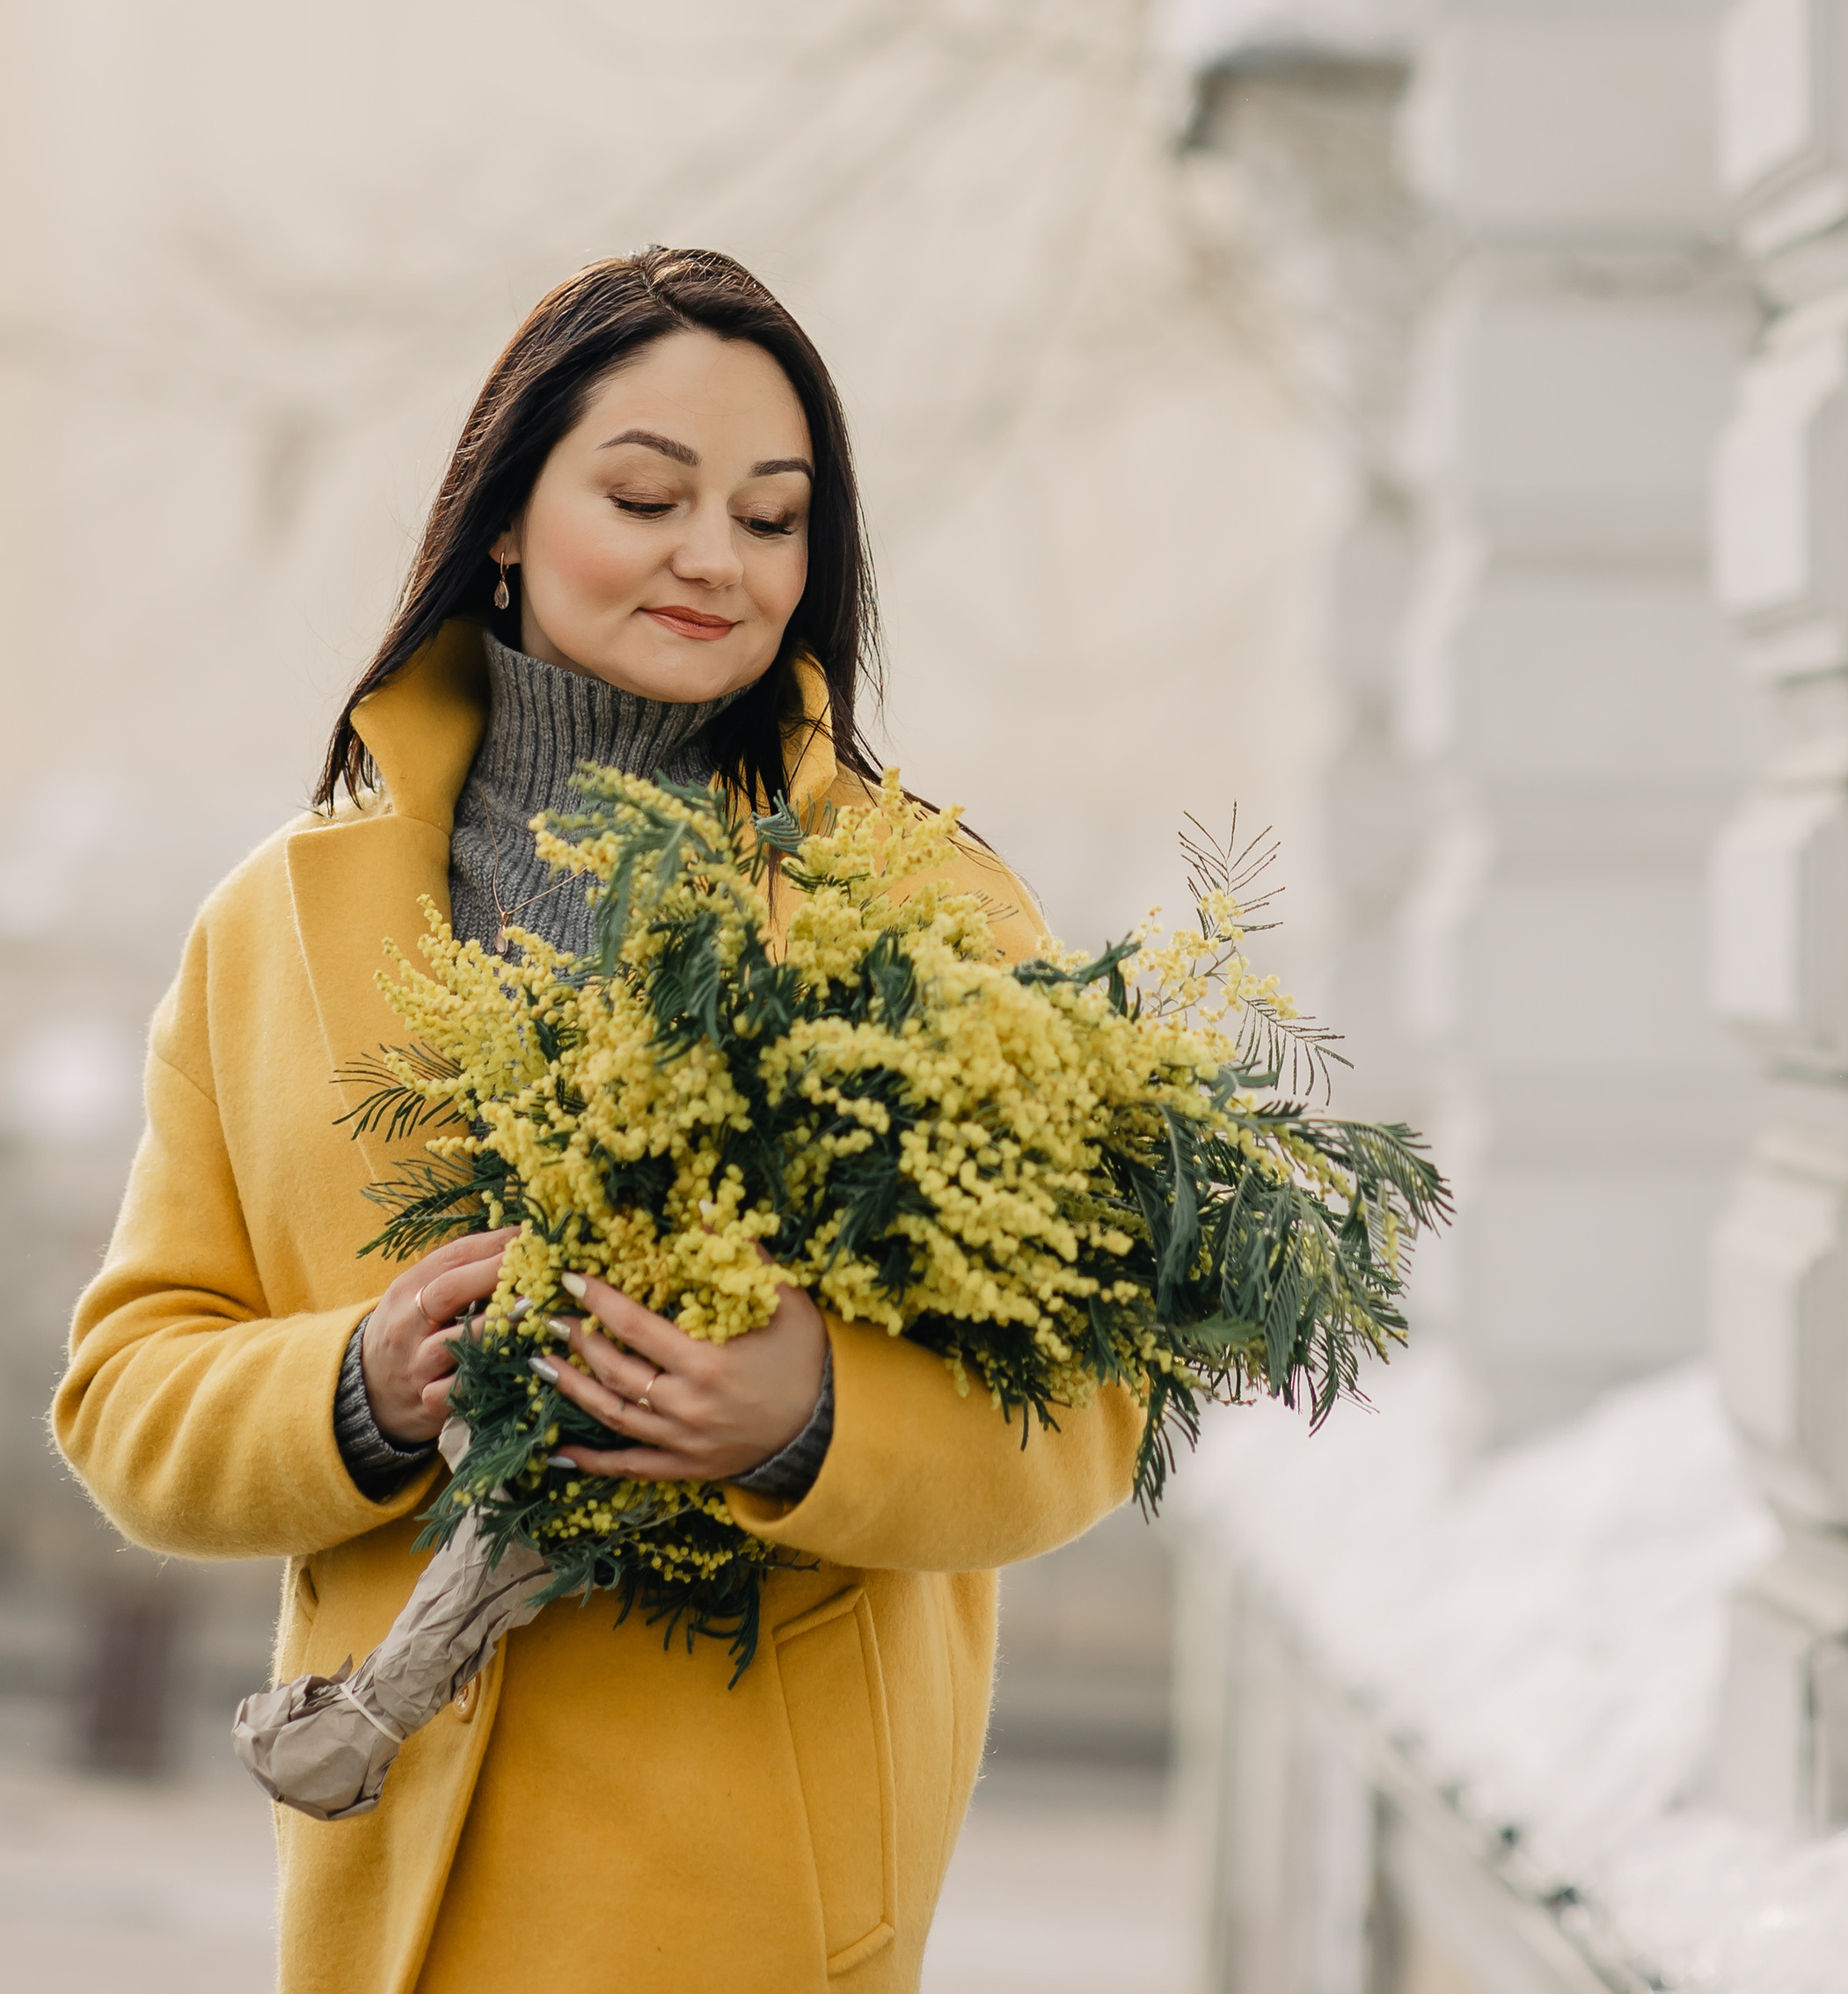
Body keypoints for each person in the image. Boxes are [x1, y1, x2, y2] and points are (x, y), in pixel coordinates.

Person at [54, 246, 1139, 1994]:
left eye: (773, 517)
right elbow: (125, 1394)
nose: (714, 556)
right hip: (392, 1870)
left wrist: (809, 1417)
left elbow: (1092, 1403)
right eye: (646, 494)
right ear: (503, 513)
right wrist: (355, 1387)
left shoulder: (919, 909)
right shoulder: (272, 926)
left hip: (753, 1906)